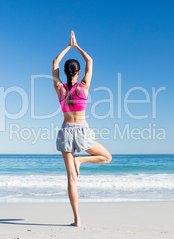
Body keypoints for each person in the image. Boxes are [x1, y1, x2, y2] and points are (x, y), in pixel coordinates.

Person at [52, 31, 112, 227]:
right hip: (83, 130)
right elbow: (90, 60)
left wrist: (67, 47)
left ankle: (77, 220)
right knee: (107, 157)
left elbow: (54, 62)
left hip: (66, 130)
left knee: (71, 179)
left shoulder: (60, 88)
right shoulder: (84, 87)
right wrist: (76, 46)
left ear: (66, 73)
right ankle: (82, 160)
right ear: (77, 73)